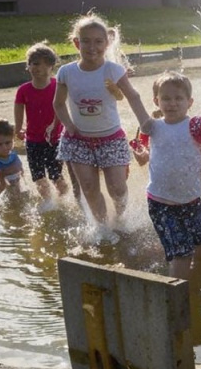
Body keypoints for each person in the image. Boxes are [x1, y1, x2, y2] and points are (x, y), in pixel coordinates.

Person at [132, 71, 201, 280]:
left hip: (191, 202)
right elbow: (151, 155)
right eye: (166, 98)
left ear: (189, 101)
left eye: (179, 98)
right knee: (182, 256)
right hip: (161, 204)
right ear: (156, 101)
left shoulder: (196, 124)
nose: (172, 104)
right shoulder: (152, 127)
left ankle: (195, 284)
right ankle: (178, 299)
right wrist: (142, 156)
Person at [53, 14, 152, 225]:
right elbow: (58, 104)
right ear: (76, 43)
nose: (92, 47)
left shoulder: (113, 70)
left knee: (117, 188)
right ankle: (103, 227)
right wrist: (68, 124)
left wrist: (146, 123)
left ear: (107, 43)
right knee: (88, 187)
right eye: (86, 41)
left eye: (98, 41)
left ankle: (122, 219)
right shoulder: (67, 72)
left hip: (110, 138)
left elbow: (133, 96)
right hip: (78, 140)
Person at [13, 41, 70, 201]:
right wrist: (18, 128)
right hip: (32, 141)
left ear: (51, 66)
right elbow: (18, 108)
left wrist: (55, 124)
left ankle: (63, 202)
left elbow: (61, 107)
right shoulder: (24, 90)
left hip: (54, 140)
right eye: (32, 64)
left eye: (40, 64)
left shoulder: (56, 86)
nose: (35, 67)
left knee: (56, 176)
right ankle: (47, 204)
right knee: (38, 178)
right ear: (28, 66)